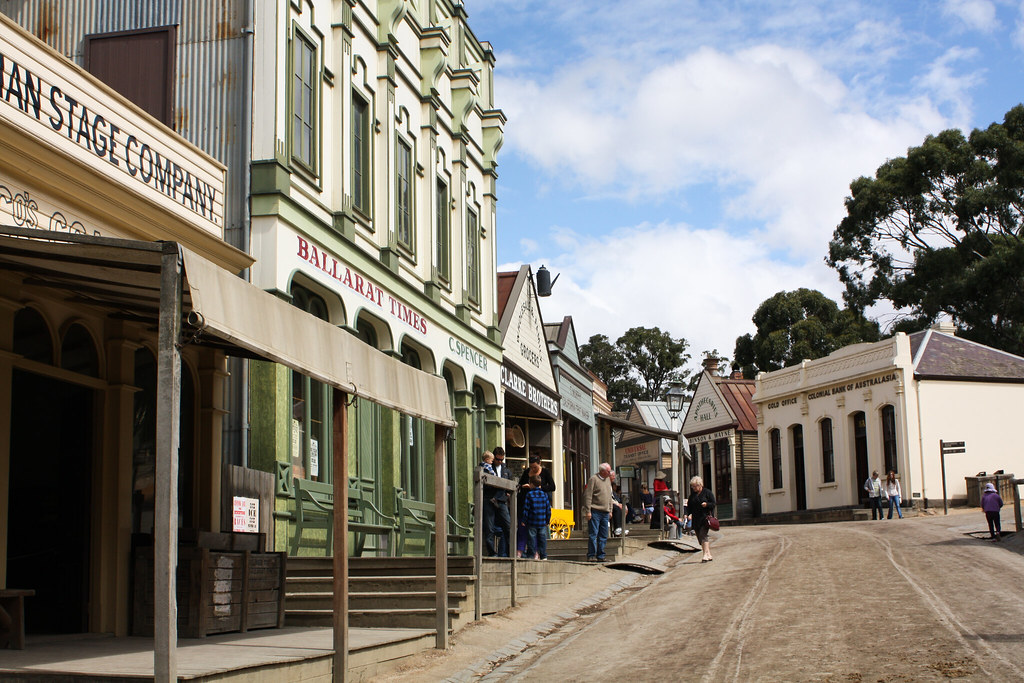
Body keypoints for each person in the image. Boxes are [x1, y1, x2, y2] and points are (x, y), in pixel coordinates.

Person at [483, 447, 514, 556]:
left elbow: (511, 483)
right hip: (489, 499)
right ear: (493, 458)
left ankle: (510, 552)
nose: (500, 461)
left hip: (501, 500)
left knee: (508, 526)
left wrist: (508, 492)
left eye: (502, 459)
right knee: (489, 527)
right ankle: (492, 553)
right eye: (497, 459)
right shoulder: (487, 467)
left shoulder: (506, 470)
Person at [582, 462, 614, 561]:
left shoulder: (608, 480)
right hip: (595, 510)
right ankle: (591, 555)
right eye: (608, 471)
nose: (610, 473)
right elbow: (588, 495)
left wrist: (610, 510)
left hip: (605, 512)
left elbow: (609, 496)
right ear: (602, 471)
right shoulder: (593, 479)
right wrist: (588, 510)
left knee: (603, 534)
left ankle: (601, 555)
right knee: (593, 534)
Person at [522, 470, 551, 559]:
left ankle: (531, 555)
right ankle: (543, 555)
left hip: (532, 521)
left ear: (531, 484)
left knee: (531, 539)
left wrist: (524, 520)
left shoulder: (529, 494)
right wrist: (547, 520)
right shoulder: (544, 494)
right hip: (542, 521)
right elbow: (548, 508)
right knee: (542, 539)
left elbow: (526, 508)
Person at [686, 475, 717, 562]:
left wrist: (706, 504)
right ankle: (708, 554)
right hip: (696, 519)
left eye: (695, 486)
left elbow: (713, 503)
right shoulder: (692, 496)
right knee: (700, 538)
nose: (693, 488)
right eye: (692, 486)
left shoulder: (707, 492)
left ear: (700, 485)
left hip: (705, 518)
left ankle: (704, 555)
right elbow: (689, 507)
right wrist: (687, 514)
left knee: (703, 535)